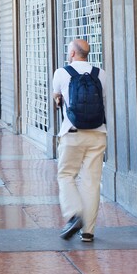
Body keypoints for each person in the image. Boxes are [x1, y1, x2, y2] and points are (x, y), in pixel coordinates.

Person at [52, 38, 107, 242]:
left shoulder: (62, 72)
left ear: (72, 54)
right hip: (97, 132)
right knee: (92, 182)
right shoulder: (100, 73)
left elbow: (56, 96)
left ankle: (74, 214)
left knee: (66, 175)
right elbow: (104, 99)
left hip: (73, 132)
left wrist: (59, 98)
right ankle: (88, 231)